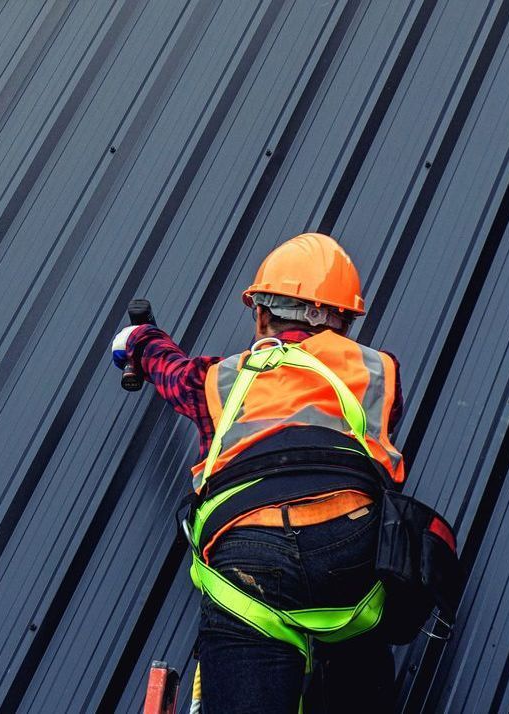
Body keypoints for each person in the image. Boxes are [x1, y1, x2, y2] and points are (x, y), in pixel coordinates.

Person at [112, 233, 405, 713]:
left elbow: (173, 372)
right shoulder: (380, 370)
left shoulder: (224, 378)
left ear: (263, 315)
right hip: (349, 544)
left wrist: (139, 342)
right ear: (345, 320)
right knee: (358, 644)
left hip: (248, 551)